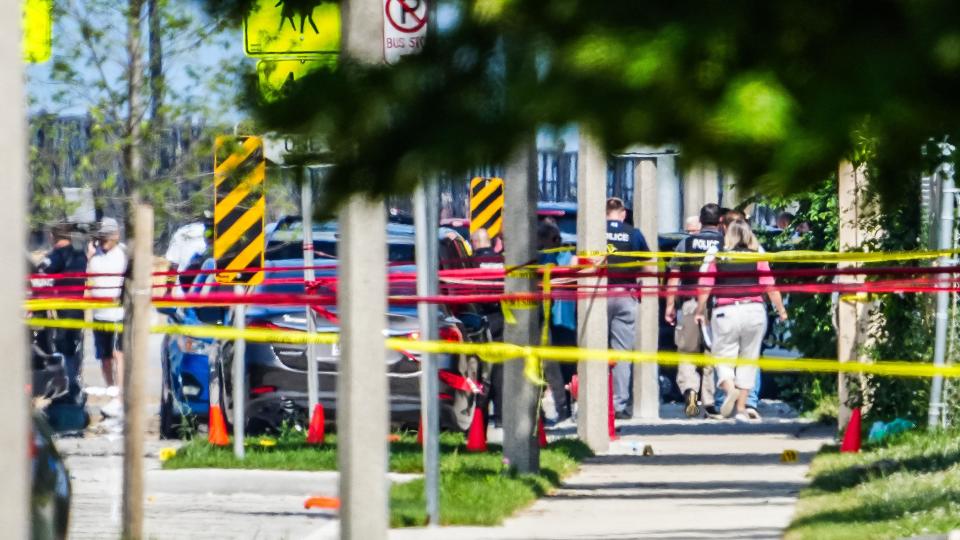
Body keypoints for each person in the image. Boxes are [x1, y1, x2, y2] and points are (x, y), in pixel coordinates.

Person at [694, 219, 788, 421]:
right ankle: (742, 409)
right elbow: (770, 285)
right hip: (754, 311)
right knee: (749, 358)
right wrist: (781, 310)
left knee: (722, 357)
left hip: (725, 312)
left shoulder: (718, 255)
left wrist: (700, 310)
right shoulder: (758, 255)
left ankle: (729, 389)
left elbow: (705, 285)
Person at [665, 204, 724, 418]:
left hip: (689, 302)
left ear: (700, 221)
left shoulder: (686, 243)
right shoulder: (725, 243)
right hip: (717, 304)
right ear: (720, 222)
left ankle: (691, 394)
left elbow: (674, 276)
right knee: (712, 352)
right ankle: (709, 400)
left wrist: (670, 306)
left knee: (687, 352)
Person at [605, 197, 651, 419]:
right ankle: (619, 404)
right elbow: (647, 263)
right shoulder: (634, 233)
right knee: (622, 352)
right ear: (623, 213)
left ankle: (591, 400)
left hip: (597, 296)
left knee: (591, 349)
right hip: (625, 295)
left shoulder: (595, 231)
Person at [37, 224, 89, 391]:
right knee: (75, 344)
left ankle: (68, 381)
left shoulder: (56, 256)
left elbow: (40, 274)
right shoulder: (81, 255)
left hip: (62, 308)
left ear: (53, 236)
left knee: (61, 345)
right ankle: (75, 380)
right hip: (78, 306)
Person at [87, 217, 127, 417]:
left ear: (116, 236)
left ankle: (120, 398)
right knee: (104, 359)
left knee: (118, 355)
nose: (103, 240)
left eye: (107, 237)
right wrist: (90, 256)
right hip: (99, 314)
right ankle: (112, 394)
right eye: (101, 237)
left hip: (118, 314)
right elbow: (89, 280)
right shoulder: (95, 256)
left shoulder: (123, 255)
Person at [538, 220, 576, 423]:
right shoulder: (567, 256)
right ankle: (565, 407)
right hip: (564, 317)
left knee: (553, 366)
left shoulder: (547, 257)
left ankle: (563, 407)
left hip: (553, 318)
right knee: (564, 365)